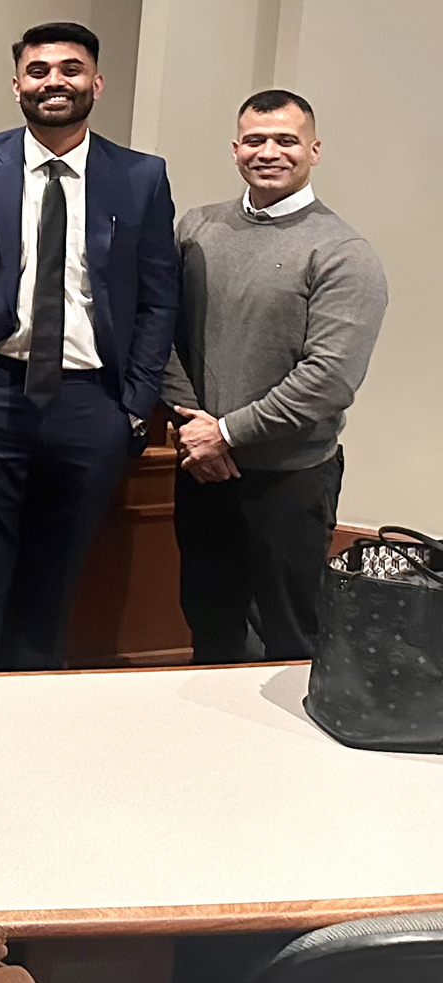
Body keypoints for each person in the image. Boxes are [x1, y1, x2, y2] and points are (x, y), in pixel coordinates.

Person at [0, 23, 177, 671]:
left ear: (97, 83)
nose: (53, 82)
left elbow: (158, 299)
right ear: (17, 85)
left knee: (57, 573)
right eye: (38, 71)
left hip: (91, 402)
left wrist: (135, 403)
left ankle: (35, 711)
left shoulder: (142, 178)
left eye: (70, 69)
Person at [162, 90, 387, 662]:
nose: (269, 152)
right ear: (236, 149)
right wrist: (197, 428)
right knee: (209, 628)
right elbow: (161, 332)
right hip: (201, 470)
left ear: (313, 149)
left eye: (286, 140)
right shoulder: (196, 229)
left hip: (290, 479)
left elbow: (328, 379)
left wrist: (227, 433)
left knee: (291, 639)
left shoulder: (342, 252)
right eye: (256, 140)